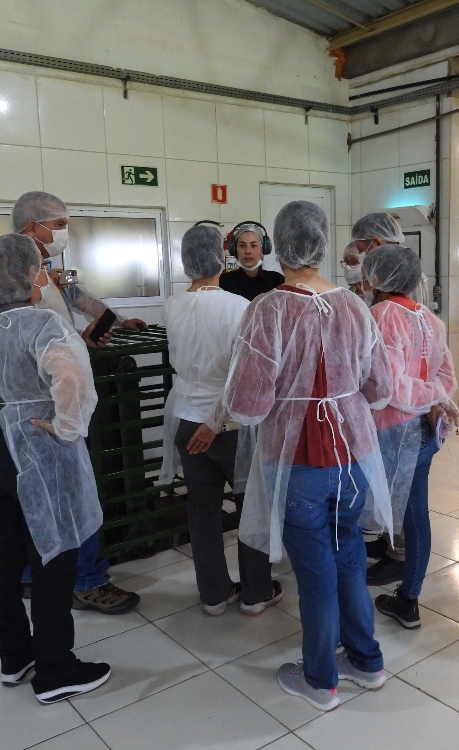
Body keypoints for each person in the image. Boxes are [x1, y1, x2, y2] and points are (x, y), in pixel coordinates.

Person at [224, 200, 394, 712]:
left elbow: (247, 404)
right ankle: (367, 661)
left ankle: (320, 679)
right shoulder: (356, 307)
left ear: (278, 245)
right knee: (348, 559)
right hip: (352, 457)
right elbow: (380, 387)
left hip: (297, 462)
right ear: (323, 243)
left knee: (316, 571)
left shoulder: (268, 308)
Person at [0, 234, 111, 704]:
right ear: (30, 274)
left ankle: (14, 657)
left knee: (3, 552)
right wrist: (66, 428)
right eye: (41, 270)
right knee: (52, 554)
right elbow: (70, 376)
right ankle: (56, 669)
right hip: (37, 446)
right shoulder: (41, 322)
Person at [12, 191, 142, 615]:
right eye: (60, 223)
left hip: (38, 401)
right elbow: (34, 338)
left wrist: (119, 321)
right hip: (50, 401)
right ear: (33, 226)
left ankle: (32, 573)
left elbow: (79, 301)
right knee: (75, 494)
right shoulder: (21, 272)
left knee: (43, 493)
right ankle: (88, 581)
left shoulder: (44, 270)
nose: (64, 231)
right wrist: (77, 347)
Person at [161, 224, 281, 615]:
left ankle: (213, 595)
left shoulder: (172, 304)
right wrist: (215, 423)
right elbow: (243, 375)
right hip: (229, 427)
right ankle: (256, 592)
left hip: (184, 419)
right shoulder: (238, 308)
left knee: (203, 511)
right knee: (250, 505)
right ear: (222, 256)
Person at [363, 245, 459, 630]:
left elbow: (386, 386)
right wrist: (431, 399)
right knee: (416, 517)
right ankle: (409, 599)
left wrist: (419, 398)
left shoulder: (381, 316)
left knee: (356, 516)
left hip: (390, 432)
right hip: (425, 432)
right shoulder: (429, 319)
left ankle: (348, 597)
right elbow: (446, 379)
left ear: (376, 278)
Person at [352, 212, 416, 585]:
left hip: (396, 410)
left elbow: (385, 371)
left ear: (375, 245)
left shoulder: (385, 309)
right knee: (391, 482)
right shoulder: (393, 298)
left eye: (361, 251)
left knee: (401, 486)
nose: (358, 259)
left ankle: (401, 553)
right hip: (402, 409)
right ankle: (389, 541)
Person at [219, 221, 284, 301]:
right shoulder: (225, 281)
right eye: (242, 246)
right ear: (234, 249)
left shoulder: (277, 281)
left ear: (263, 248)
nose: (247, 251)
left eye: (253, 245)